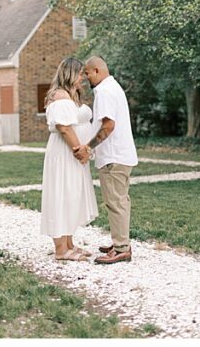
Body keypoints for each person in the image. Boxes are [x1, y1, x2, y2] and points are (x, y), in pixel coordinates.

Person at [74, 56, 139, 264]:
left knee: (115, 202)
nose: (85, 77)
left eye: (86, 73)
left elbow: (108, 126)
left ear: (96, 71)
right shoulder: (113, 87)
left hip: (113, 156)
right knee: (119, 200)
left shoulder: (103, 91)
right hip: (121, 155)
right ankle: (120, 241)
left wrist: (88, 148)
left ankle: (121, 249)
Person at [40, 57, 98, 262]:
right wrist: (79, 150)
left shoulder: (70, 95)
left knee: (71, 195)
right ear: (70, 73)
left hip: (71, 154)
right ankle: (61, 250)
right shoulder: (61, 96)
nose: (83, 77)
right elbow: (64, 127)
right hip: (65, 154)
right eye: (80, 73)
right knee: (62, 194)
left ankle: (69, 243)